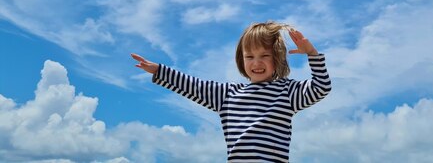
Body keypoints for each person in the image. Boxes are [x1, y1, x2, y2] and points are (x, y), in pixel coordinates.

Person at [131, 21, 331, 162]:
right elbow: (194, 86)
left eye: (264, 55)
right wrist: (159, 70)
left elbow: (321, 87)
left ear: (277, 57)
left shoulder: (287, 92)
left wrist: (312, 54)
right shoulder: (228, 95)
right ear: (241, 59)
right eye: (249, 56)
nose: (256, 62)